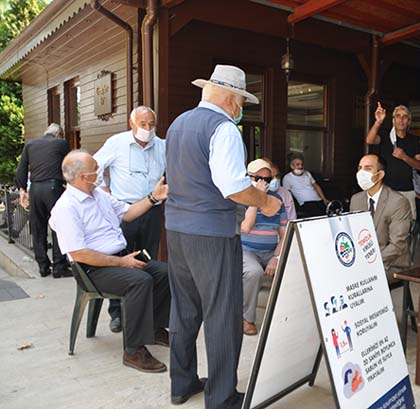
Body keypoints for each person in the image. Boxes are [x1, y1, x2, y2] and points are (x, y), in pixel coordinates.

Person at [165, 65, 281, 408]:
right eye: (241, 102)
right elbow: (233, 187)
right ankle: (222, 397)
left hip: (177, 229)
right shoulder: (224, 128)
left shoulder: (177, 124)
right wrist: (266, 202)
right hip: (212, 233)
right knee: (223, 315)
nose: (239, 110)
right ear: (231, 100)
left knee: (184, 309)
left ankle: (182, 383)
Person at [49, 150, 171, 373]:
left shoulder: (98, 195)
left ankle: (153, 327)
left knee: (165, 272)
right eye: (95, 169)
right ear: (83, 177)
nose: (100, 172)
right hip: (92, 269)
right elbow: (80, 254)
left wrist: (153, 198)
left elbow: (128, 212)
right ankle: (133, 351)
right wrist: (122, 263)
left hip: (119, 257)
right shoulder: (66, 208)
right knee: (140, 281)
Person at [93, 106, 166, 334]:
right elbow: (95, 166)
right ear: (131, 123)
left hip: (152, 209)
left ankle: (146, 312)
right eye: (142, 124)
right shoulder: (117, 143)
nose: (147, 128)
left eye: (151, 124)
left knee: (148, 260)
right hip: (123, 209)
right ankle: (117, 313)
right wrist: (103, 190)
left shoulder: (161, 145)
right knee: (119, 259)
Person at [15, 123, 70, 278]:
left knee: (38, 227)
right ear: (58, 134)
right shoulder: (61, 143)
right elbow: (70, 164)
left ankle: (43, 266)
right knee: (58, 226)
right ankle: (59, 266)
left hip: (35, 189)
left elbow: (22, 168)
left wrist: (22, 190)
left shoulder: (30, 144)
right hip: (54, 187)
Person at [241, 159, 287, 336]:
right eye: (259, 178)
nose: (264, 183)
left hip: (270, 250)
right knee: (254, 272)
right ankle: (247, 319)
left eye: (267, 179)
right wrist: (256, 198)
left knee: (290, 267)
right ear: (249, 177)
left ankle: (286, 318)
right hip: (245, 250)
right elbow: (245, 227)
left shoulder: (277, 199)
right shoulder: (241, 197)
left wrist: (276, 257)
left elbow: (284, 234)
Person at [349, 154, 411, 283]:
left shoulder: (398, 202)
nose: (361, 173)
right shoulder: (356, 200)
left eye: (368, 168)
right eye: (360, 168)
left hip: (390, 264)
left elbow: (397, 244)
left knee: (354, 280)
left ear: (380, 174)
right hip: (362, 262)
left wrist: (370, 263)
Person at [365, 102, 420, 220]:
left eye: (405, 117)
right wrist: (378, 121)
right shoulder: (385, 135)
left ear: (409, 122)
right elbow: (369, 140)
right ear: (393, 120)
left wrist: (404, 156)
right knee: (384, 223)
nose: (401, 120)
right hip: (386, 190)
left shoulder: (413, 140)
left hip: (407, 190)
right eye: (398, 116)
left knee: (407, 225)